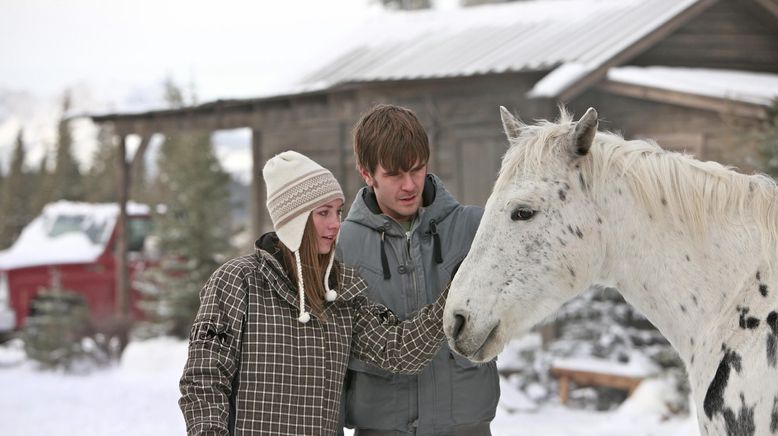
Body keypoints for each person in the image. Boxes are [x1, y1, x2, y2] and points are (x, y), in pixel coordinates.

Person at [178, 150, 449, 436]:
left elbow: (399, 351)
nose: (336, 224)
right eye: (323, 212)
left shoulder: (343, 291)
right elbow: (204, 379)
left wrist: (452, 300)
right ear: (294, 219)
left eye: (338, 211)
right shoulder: (238, 281)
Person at [338, 104, 499, 436]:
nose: (409, 184)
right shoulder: (343, 245)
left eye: (417, 169)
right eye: (394, 174)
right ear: (366, 174)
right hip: (383, 426)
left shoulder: (475, 228)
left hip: (465, 424)